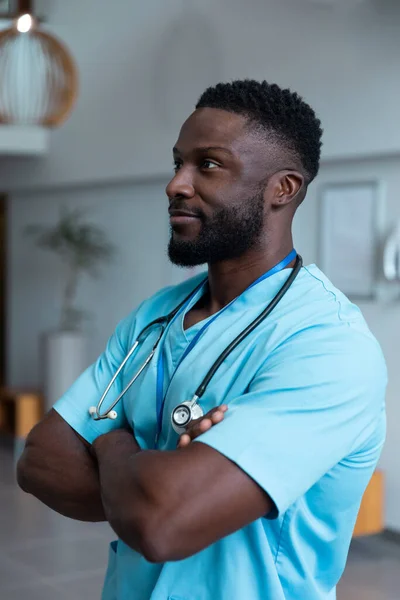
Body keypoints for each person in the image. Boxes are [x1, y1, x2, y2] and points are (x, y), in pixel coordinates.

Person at [17, 80, 387, 600]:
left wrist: (112, 438)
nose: (176, 184)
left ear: (283, 188)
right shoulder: (155, 316)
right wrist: (152, 480)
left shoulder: (328, 346)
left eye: (208, 165)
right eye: (177, 163)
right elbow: (39, 460)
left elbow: (162, 522)